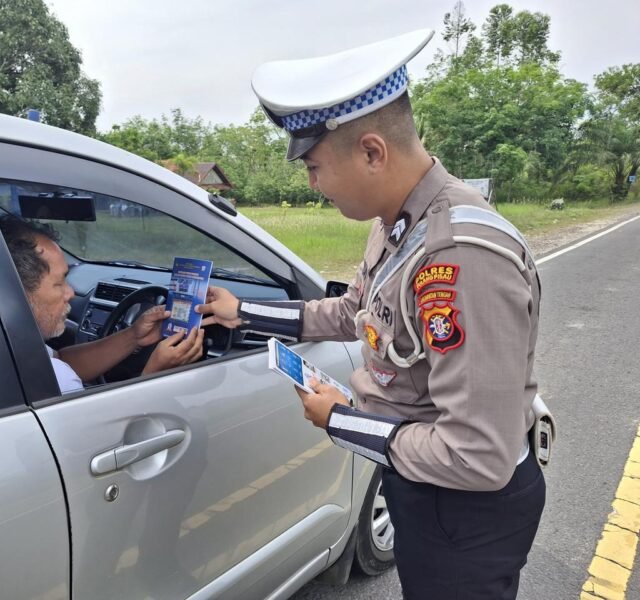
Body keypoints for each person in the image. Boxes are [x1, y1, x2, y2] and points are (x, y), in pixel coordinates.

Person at [196, 29, 545, 600]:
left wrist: (340, 420)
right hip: (424, 482)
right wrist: (243, 312)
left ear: (372, 152)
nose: (312, 184)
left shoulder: (459, 257)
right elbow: (354, 310)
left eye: (314, 166)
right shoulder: (396, 224)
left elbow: (477, 456)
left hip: (463, 508)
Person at [0, 215, 203, 393]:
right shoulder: (55, 379)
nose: (70, 293)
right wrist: (156, 374)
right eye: (59, 283)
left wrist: (134, 336)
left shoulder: (3, 344)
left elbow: (61, 360)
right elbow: (109, 429)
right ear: (16, 293)